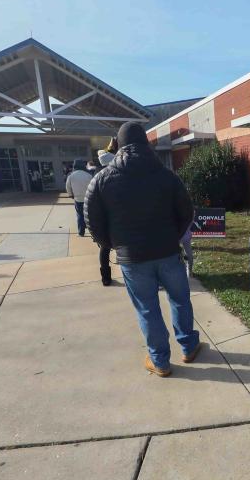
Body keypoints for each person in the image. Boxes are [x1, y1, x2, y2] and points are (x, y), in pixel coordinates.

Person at [85, 122, 200, 377]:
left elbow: (92, 220)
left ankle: (160, 361)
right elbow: (187, 211)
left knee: (147, 309)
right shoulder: (166, 175)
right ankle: (189, 347)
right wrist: (174, 236)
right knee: (180, 299)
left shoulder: (102, 179)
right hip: (169, 252)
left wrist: (113, 244)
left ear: (119, 145)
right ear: (146, 143)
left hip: (133, 258)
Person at [94, 137, 119, 285]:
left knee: (104, 248)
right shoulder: (115, 173)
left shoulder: (97, 174)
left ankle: (106, 278)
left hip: (104, 218)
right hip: (116, 217)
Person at [65, 159, 92, 237]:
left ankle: (81, 232)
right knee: (89, 215)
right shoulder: (88, 175)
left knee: (80, 215)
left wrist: (70, 195)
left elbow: (68, 186)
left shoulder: (71, 175)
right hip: (88, 198)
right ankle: (93, 232)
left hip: (77, 198)